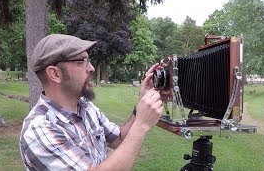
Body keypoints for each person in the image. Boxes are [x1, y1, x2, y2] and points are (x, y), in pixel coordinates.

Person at [19, 34, 163, 170]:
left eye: (89, 60)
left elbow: (119, 138)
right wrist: (141, 125)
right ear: (55, 74)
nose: (92, 68)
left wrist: (141, 104)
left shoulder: (86, 108)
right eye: (82, 62)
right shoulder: (39, 129)